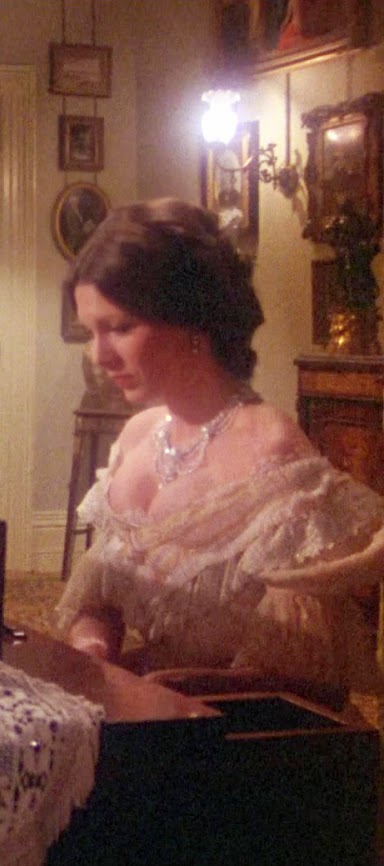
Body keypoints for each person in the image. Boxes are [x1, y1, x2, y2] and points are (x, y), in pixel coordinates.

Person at [55, 197, 384, 711]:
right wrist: (93, 652)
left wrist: (161, 690)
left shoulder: (271, 451)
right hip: (146, 715)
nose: (100, 356)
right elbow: (100, 600)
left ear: (192, 322)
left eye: (120, 328)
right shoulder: (137, 436)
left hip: (243, 740)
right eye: (91, 332)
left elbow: (305, 684)